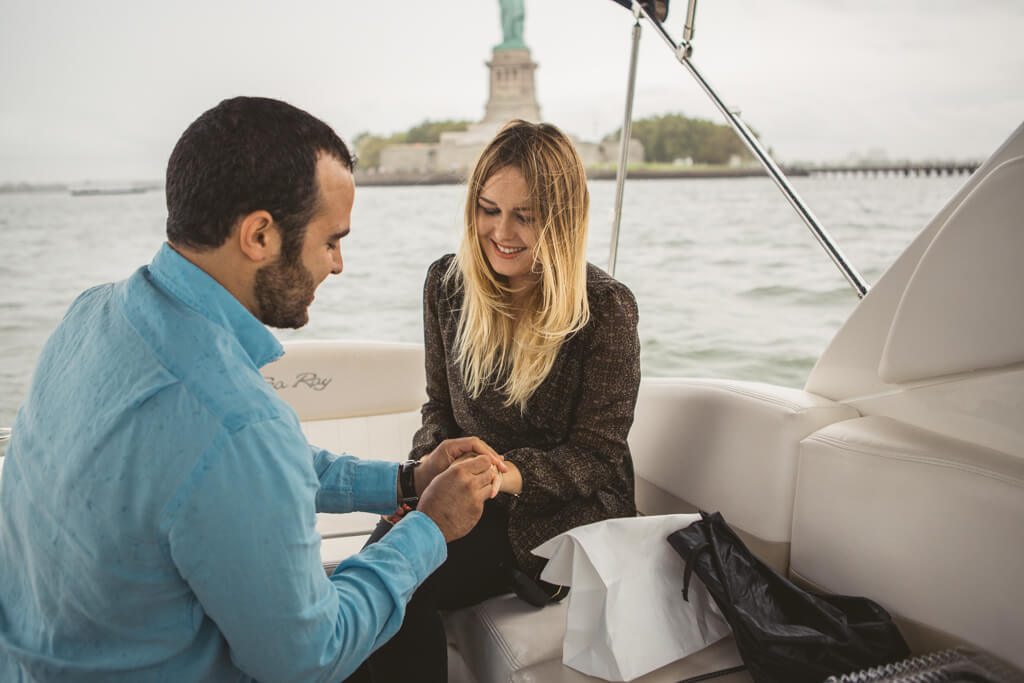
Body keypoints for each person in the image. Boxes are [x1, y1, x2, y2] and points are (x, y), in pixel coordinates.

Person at [0, 96, 506, 682]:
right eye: (331, 241)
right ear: (260, 235)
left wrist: (404, 480)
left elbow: (240, 470)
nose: (338, 265)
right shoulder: (238, 422)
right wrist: (431, 527)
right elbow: (309, 658)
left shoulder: (90, 315)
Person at [356, 120, 641, 682]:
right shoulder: (446, 284)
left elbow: (599, 455)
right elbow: (439, 407)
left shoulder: (605, 309)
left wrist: (501, 477)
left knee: (403, 583)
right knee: (376, 578)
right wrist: (421, 478)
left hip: (557, 513)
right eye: (489, 209)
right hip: (465, 492)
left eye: (525, 215)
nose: (501, 231)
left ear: (560, 219)